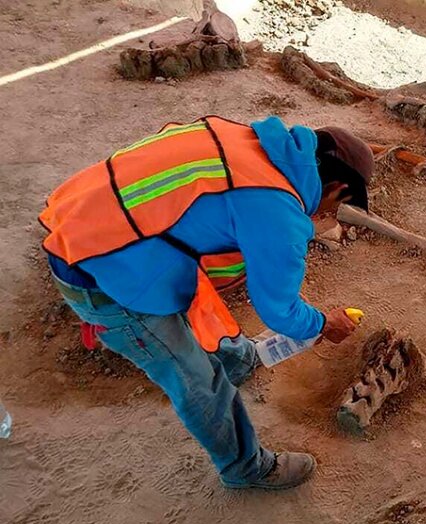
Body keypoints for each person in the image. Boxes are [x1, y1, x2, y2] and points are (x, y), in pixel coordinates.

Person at [39, 115, 374, 490]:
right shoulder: (278, 212)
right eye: (333, 206)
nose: (325, 215)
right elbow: (279, 310)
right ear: (337, 186)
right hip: (101, 277)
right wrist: (323, 325)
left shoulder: (247, 142)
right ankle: (247, 468)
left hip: (88, 223)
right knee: (198, 380)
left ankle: (238, 358)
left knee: (201, 301)